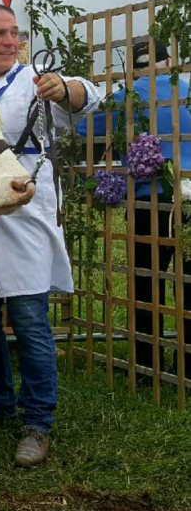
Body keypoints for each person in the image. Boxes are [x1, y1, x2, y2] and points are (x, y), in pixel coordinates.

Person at [0, 4, 101, 467]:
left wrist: (64, 88)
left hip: (22, 207)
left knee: (30, 320)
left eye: (15, 33)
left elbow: (89, 96)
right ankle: (1, 401)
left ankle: (37, 422)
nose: (11, 41)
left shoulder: (34, 81)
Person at [77, 41, 191, 375]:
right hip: (190, 199)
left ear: (134, 66)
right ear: (169, 61)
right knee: (188, 284)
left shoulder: (125, 97)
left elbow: (84, 132)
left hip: (147, 202)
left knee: (146, 283)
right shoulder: (184, 92)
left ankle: (146, 363)